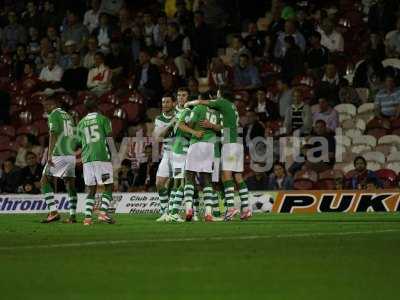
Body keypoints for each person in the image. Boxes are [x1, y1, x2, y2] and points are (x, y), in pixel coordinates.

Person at [185, 86, 251, 221]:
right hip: (238, 142)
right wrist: (212, 126)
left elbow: (201, 102)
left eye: (218, 94)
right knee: (238, 176)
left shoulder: (222, 102)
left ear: (221, 95)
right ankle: (246, 209)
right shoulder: (233, 107)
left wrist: (189, 103)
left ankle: (231, 208)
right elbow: (224, 126)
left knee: (225, 176)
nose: (216, 96)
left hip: (229, 143)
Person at [77, 97, 115, 225]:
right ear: (98, 106)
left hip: (87, 159)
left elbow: (78, 142)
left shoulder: (81, 122)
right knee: (108, 185)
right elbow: (109, 138)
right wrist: (115, 156)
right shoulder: (103, 119)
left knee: (91, 188)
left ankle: (87, 218)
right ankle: (103, 213)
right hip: (101, 157)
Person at [40, 95, 77, 223]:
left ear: (52, 104)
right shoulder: (69, 116)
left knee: (44, 180)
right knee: (70, 184)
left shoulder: (54, 115)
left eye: (45, 105)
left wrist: (49, 154)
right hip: (70, 154)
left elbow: (53, 134)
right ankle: (72, 216)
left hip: (59, 153)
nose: (44, 108)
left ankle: (53, 212)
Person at [152, 95, 176, 221]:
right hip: (167, 154)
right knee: (159, 183)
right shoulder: (159, 118)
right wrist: (172, 123)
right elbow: (158, 136)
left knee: (178, 184)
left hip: (181, 153)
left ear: (173, 103)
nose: (165, 104)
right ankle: (164, 212)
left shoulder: (180, 114)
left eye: (167, 102)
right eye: (163, 102)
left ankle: (184, 211)